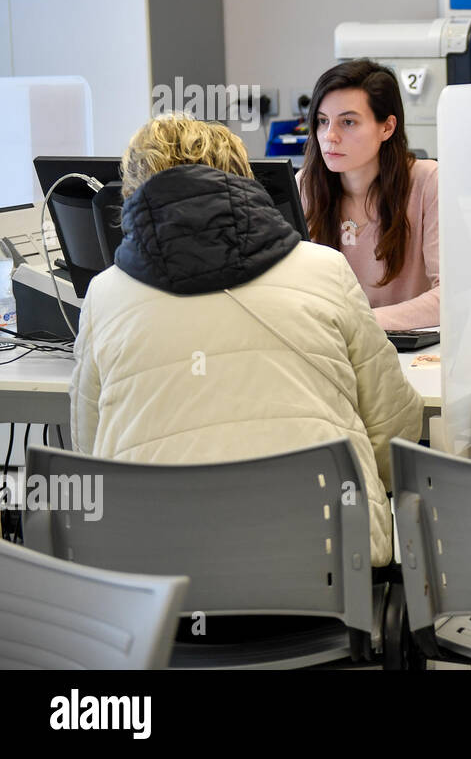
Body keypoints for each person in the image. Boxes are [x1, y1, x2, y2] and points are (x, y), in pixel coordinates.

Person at [70, 114, 423, 565]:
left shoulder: (104, 294)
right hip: (326, 574)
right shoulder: (325, 269)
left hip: (157, 590)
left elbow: (88, 448)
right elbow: (394, 430)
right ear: (244, 178)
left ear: (132, 193)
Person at [298, 58, 440, 331]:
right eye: (322, 121)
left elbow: (448, 296)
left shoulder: (427, 182)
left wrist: (359, 324)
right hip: (332, 350)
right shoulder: (305, 186)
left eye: (348, 122)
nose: (330, 136)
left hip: (410, 351)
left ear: (386, 127)